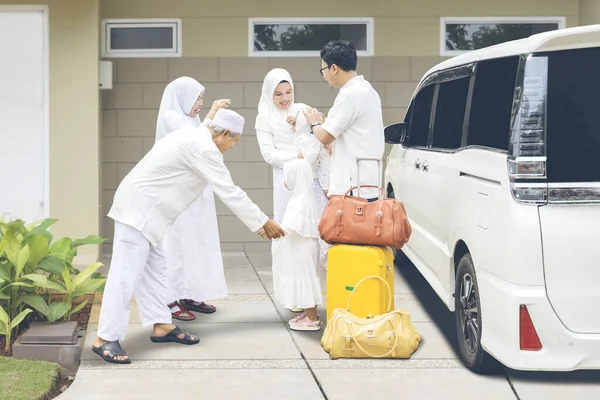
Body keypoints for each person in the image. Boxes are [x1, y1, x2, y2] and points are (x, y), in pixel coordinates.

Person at [92, 109, 285, 364]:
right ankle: (104, 338)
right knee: (124, 275)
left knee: (156, 270)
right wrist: (263, 221)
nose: (233, 146)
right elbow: (229, 191)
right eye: (234, 140)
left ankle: (161, 325)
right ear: (224, 134)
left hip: (150, 215)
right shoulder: (204, 149)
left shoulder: (195, 136)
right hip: (138, 212)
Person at [155, 76, 231, 321]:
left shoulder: (191, 120)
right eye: (197, 97)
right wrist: (212, 113)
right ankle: (168, 300)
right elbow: (194, 141)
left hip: (196, 194)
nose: (200, 103)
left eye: (202, 98)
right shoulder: (171, 118)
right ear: (182, 97)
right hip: (177, 195)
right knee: (176, 246)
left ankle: (188, 294)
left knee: (195, 242)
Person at [255, 68, 330, 311]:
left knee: (312, 236)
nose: (285, 98)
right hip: (286, 181)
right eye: (278, 94)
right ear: (269, 94)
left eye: (288, 92)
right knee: (289, 236)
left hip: (309, 179)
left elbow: (320, 132)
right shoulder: (263, 117)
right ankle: (295, 299)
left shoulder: (301, 109)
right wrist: (297, 156)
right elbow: (268, 154)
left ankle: (313, 296)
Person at [304, 40, 385, 201]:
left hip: (352, 188)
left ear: (333, 68)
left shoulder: (349, 94)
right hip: (369, 182)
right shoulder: (369, 91)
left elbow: (324, 136)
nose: (324, 76)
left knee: (347, 226)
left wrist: (314, 122)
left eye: (323, 70)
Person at [270, 159, 323, 331]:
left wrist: (272, 229)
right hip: (301, 250)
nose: (285, 180)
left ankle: (312, 319)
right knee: (305, 279)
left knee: (305, 280)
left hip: (302, 252)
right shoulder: (301, 196)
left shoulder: (301, 200)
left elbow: (291, 227)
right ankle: (309, 314)